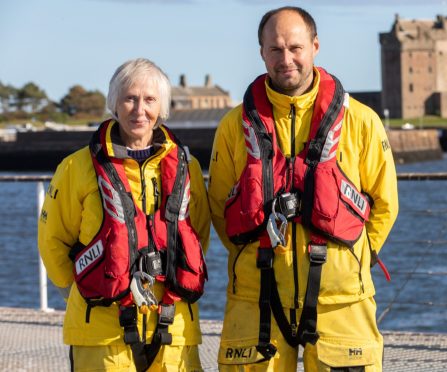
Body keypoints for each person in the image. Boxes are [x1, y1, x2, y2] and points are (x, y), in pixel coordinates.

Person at [208, 6, 398, 371]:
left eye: (295, 48)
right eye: (275, 50)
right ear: (261, 52)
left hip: (341, 301)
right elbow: (218, 206)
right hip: (255, 297)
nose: (286, 59)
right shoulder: (234, 126)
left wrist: (355, 259)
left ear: (314, 46)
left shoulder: (362, 120)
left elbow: (385, 203)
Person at [38, 58, 210, 371]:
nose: (139, 109)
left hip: (174, 328)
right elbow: (53, 241)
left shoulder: (188, 168)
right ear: (114, 103)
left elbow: (198, 233)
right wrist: (82, 294)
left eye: (149, 100)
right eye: (129, 98)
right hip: (101, 331)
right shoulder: (76, 168)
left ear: (162, 107)